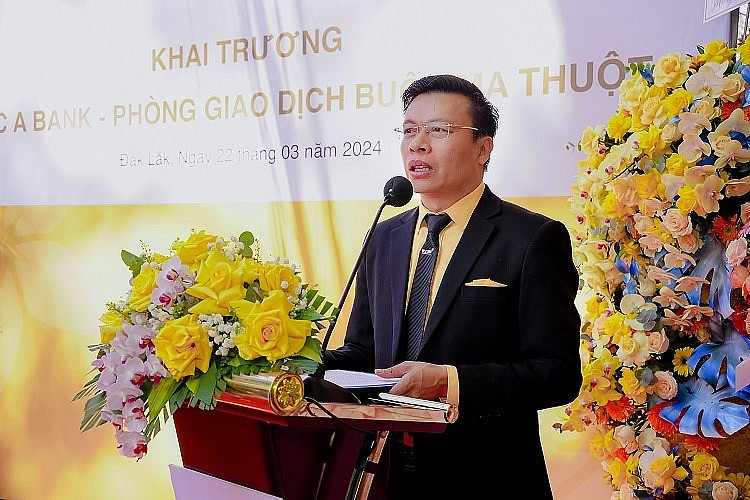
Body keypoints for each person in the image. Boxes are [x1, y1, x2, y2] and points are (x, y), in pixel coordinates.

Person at [323, 74, 582, 498]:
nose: (418, 144)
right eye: (409, 130)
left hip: (487, 480)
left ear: (483, 148)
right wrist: (296, 360)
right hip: (386, 474)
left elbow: (557, 373)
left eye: (438, 130)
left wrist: (449, 381)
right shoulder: (384, 236)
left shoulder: (532, 238)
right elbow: (364, 353)